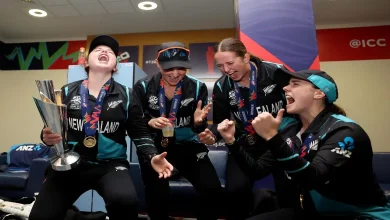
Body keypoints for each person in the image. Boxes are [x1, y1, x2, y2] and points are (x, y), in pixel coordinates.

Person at [29, 35, 173, 220]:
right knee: (40, 217)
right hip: (71, 163)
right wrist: (45, 136)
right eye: (98, 49)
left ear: (115, 66)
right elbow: (51, 128)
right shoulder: (66, 91)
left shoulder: (127, 95)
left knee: (125, 200)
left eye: (110, 51)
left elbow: (139, 132)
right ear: (86, 62)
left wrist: (152, 155)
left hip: (110, 164)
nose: (104, 51)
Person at [217, 69, 390, 219]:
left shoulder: (344, 130)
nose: (285, 88)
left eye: (295, 84)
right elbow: (257, 170)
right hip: (312, 212)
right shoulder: (291, 130)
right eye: (287, 85)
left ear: (319, 93)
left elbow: (314, 177)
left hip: (357, 214)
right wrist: (231, 141)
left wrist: (271, 136)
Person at [198, 37, 295, 219]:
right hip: (246, 145)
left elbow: (296, 105)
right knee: (235, 191)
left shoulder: (275, 72)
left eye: (230, 63)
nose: (226, 70)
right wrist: (212, 134)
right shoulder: (221, 85)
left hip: (278, 142)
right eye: (220, 66)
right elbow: (222, 121)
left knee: (288, 192)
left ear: (245, 57)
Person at [132, 41, 223, 220]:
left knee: (212, 189)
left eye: (181, 68)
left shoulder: (198, 87)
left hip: (188, 146)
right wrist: (149, 121)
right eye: (168, 69)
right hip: (156, 149)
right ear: (158, 64)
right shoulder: (143, 87)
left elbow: (201, 127)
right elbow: (135, 121)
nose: (175, 74)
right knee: (157, 195)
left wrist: (198, 123)